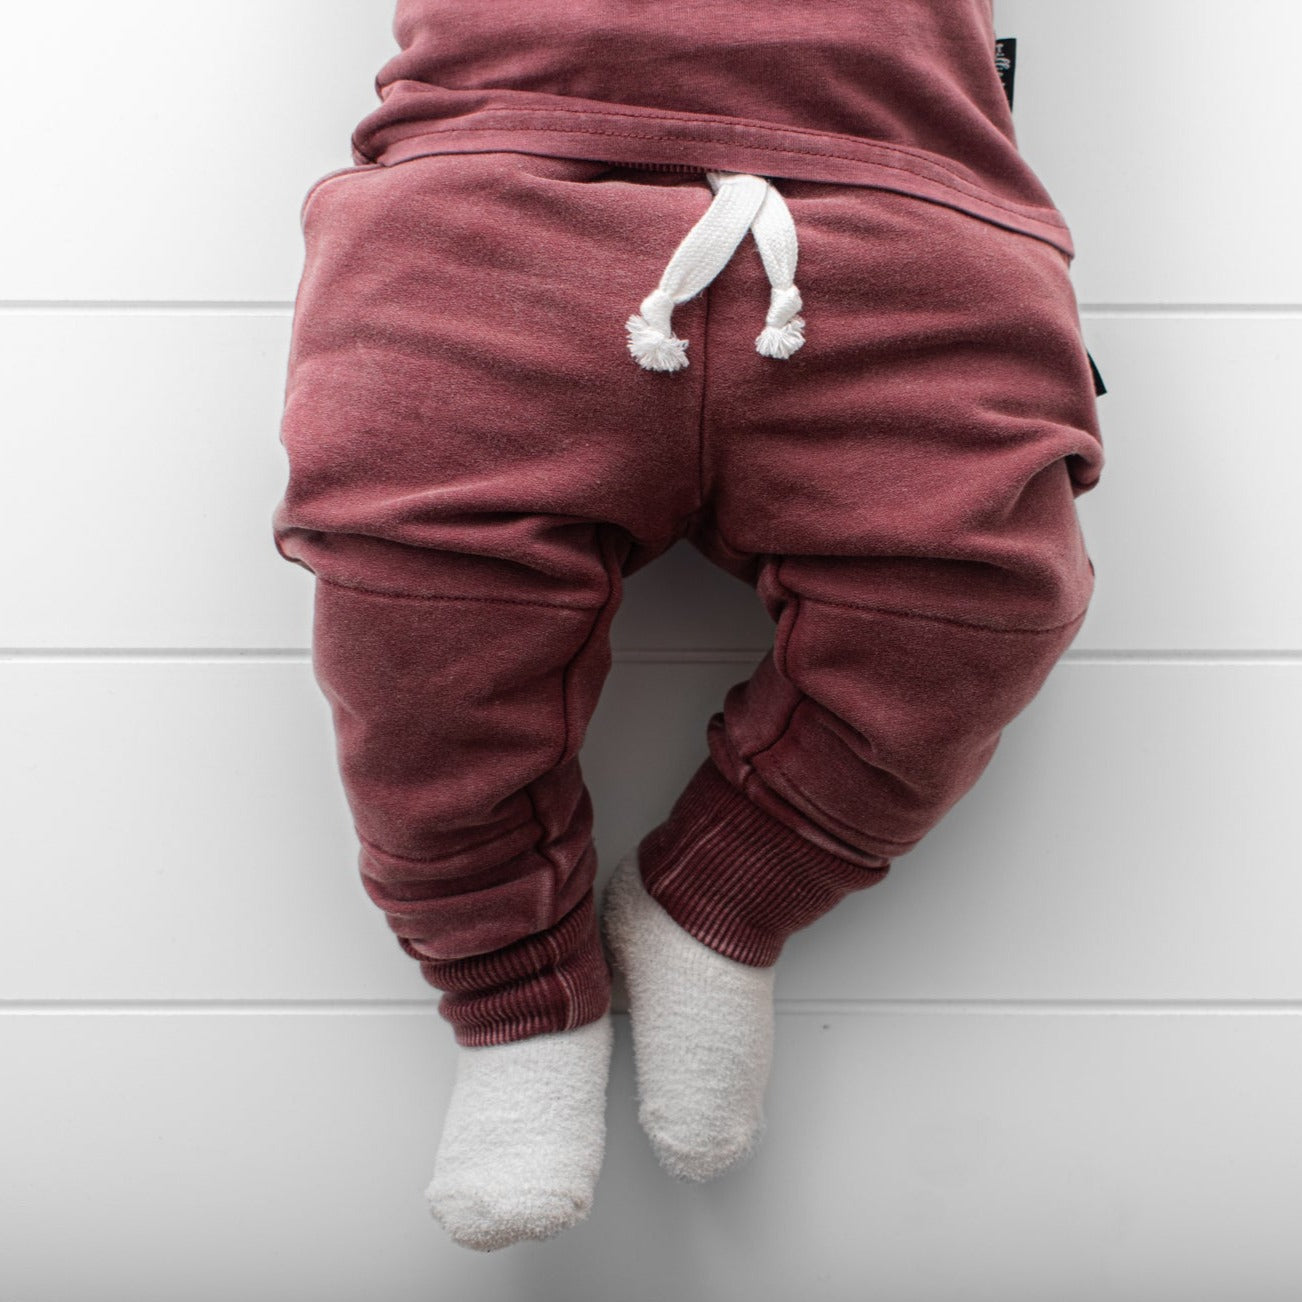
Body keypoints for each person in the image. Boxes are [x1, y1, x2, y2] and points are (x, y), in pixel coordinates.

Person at [271, 0, 1105, 1252]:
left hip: (900, 190)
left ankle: (712, 902)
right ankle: (516, 986)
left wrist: (744, 877)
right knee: (416, 626)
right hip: (498, 178)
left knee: (981, 598)